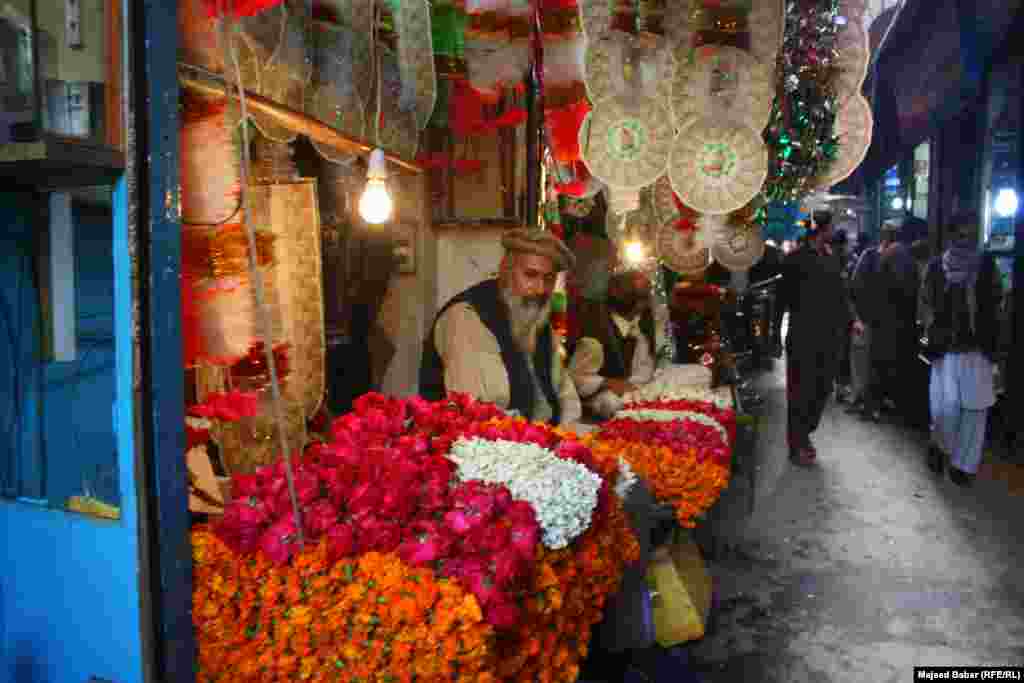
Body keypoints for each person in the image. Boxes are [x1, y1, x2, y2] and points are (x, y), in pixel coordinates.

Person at [419, 228, 582, 426]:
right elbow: (481, 413)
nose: (540, 289)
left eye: (548, 279)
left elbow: (565, 397)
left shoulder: (536, 321)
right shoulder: (467, 316)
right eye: (530, 275)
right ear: (504, 269)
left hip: (532, 447)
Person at [920, 211, 1002, 486]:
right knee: (947, 408)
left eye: (970, 231)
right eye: (961, 231)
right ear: (952, 234)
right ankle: (938, 446)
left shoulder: (987, 264)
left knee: (976, 411)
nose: (966, 237)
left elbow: (996, 305)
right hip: (945, 350)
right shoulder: (935, 266)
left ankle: (963, 466)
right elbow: (926, 303)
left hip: (978, 349)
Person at [778, 210, 851, 466]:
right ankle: (797, 443)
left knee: (821, 390)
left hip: (829, 338)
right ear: (823, 229)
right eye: (831, 227)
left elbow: (841, 295)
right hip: (802, 337)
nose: (833, 232)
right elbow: (781, 299)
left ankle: (805, 433)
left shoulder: (833, 258)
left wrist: (851, 322)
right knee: (800, 392)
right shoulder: (794, 259)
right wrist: (775, 336)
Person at [571, 269, 659, 418]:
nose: (648, 302)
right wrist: (608, 382)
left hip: (633, 390)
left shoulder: (641, 326)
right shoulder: (595, 329)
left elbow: (643, 370)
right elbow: (574, 378)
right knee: (611, 402)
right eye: (644, 296)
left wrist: (638, 389)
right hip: (597, 399)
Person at [860, 220, 920, 422]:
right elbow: (908, 289)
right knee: (892, 365)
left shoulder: (883, 255)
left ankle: (873, 406)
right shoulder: (903, 255)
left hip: (882, 319)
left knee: (876, 364)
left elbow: (868, 286)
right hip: (899, 321)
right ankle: (888, 406)